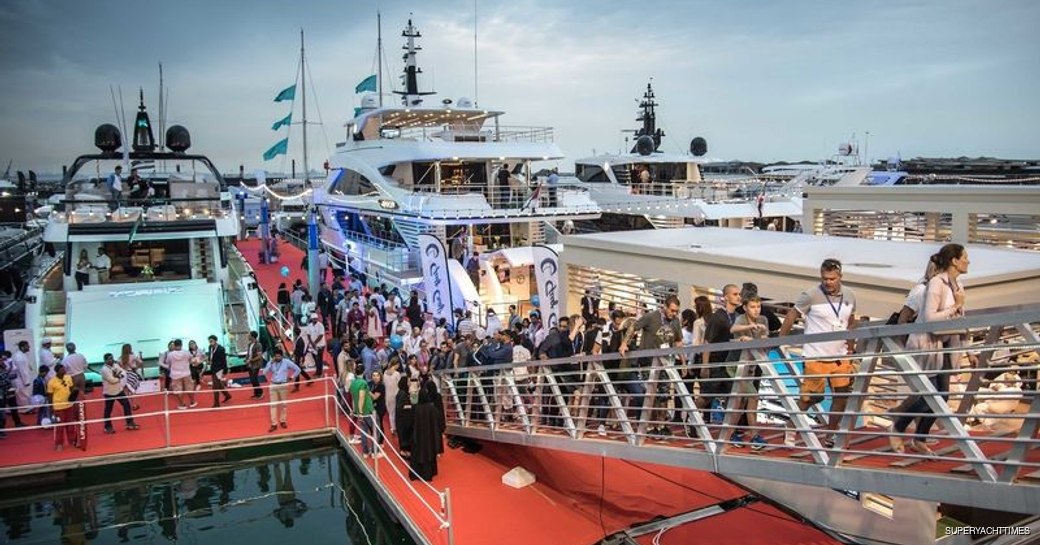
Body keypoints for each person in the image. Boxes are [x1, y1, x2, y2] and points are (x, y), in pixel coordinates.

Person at [891, 244, 973, 455]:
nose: (968, 261)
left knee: (942, 396)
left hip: (946, 344)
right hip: (929, 344)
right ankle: (899, 426)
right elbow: (929, 318)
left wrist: (969, 350)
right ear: (954, 260)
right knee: (931, 395)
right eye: (965, 257)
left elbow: (960, 320)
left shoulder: (958, 285)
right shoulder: (936, 283)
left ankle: (918, 437)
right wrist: (955, 306)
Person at [779, 258, 858, 448]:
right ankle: (791, 426)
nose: (828, 282)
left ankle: (830, 434)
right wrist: (781, 340)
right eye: (825, 278)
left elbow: (852, 320)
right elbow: (792, 314)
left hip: (839, 357)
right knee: (810, 397)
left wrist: (851, 347)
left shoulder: (850, 295)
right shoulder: (811, 294)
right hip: (816, 356)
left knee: (841, 396)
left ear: (839, 276)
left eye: (832, 278)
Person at [619, 295, 684, 437]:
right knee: (651, 395)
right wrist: (624, 343)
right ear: (664, 307)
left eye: (676, 311)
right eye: (672, 310)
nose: (674, 314)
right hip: (648, 362)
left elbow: (678, 342)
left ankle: (661, 425)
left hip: (666, 362)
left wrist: (684, 362)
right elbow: (633, 327)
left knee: (664, 395)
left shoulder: (675, 321)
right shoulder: (651, 317)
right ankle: (650, 424)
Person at [410, 380, 443, 481]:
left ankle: (416, 474)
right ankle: (430, 474)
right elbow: (438, 422)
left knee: (418, 455)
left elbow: (411, 423)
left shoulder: (415, 408)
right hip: (430, 438)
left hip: (418, 438)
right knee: (429, 456)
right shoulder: (433, 409)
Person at [263, 347, 301, 432]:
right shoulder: (271, 362)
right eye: (276, 356)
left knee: (283, 405)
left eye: (279, 356)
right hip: (273, 385)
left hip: (283, 385)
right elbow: (264, 372)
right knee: (273, 405)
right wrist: (270, 364)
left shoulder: (287, 362)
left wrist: (291, 377)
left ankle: (283, 421)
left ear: (282, 356)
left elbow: (298, 369)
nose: (277, 358)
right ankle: (274, 424)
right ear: (274, 356)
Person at [100, 353, 140, 434]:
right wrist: (118, 377)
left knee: (126, 404)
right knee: (108, 410)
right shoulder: (104, 369)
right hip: (109, 393)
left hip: (119, 390)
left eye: (111, 358)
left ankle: (129, 422)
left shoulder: (115, 365)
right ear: (105, 360)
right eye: (108, 359)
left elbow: (123, 372)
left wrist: (118, 376)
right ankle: (107, 427)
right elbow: (112, 380)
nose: (111, 360)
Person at [350, 363, 378, 457]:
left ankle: (365, 452)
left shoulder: (353, 383)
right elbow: (361, 397)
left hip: (359, 411)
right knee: (376, 430)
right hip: (367, 411)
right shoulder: (363, 383)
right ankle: (374, 452)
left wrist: (355, 411)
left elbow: (354, 398)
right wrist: (361, 412)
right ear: (364, 372)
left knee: (363, 431)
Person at [47, 363, 78, 451]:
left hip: (69, 405)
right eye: (62, 369)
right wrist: (51, 408)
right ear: (57, 371)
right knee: (59, 427)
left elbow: (72, 389)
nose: (64, 370)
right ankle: (59, 444)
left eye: (64, 369)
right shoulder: (51, 382)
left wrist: (74, 400)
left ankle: (72, 441)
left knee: (71, 425)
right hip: (58, 407)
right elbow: (49, 396)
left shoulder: (68, 378)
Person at [165, 339, 196, 409]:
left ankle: (182, 404)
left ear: (174, 345)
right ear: (181, 345)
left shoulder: (170, 354)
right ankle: (192, 402)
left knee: (177, 390)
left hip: (175, 375)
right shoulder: (186, 352)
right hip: (186, 373)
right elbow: (192, 360)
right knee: (190, 388)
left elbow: (168, 363)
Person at [209, 335, 233, 407]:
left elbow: (224, 360)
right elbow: (211, 356)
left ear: (215, 341)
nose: (210, 343)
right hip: (213, 368)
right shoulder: (210, 347)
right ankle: (227, 395)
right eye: (209, 341)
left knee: (215, 386)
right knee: (218, 384)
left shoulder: (221, 349)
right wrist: (209, 360)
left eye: (211, 341)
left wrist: (225, 370)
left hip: (219, 369)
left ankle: (216, 403)